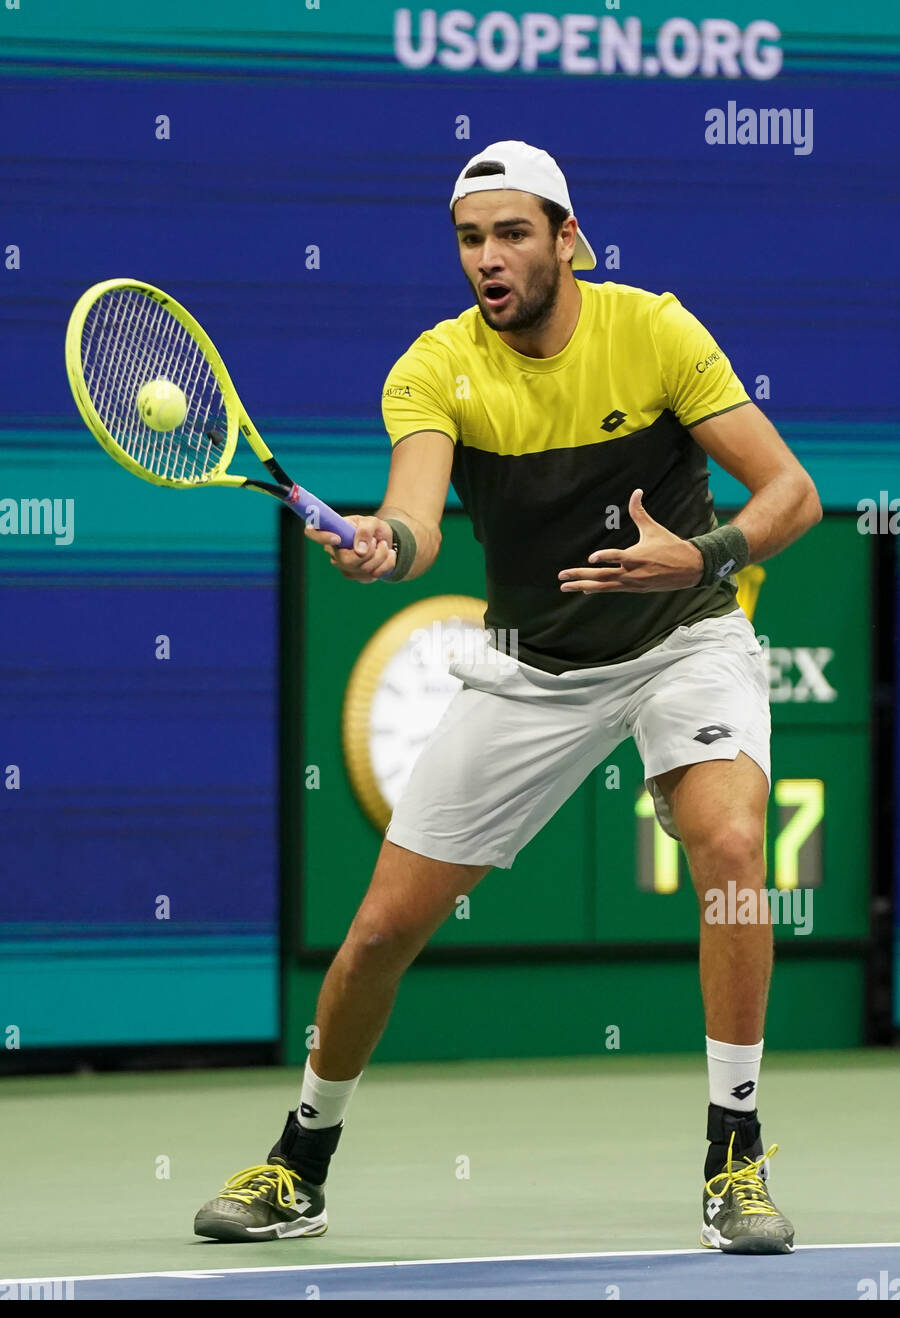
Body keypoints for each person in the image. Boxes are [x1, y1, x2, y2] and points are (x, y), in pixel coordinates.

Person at [195, 140, 821, 1254]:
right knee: (381, 930)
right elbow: (418, 516)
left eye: (513, 233)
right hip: (532, 669)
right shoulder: (434, 366)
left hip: (686, 638)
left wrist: (703, 553)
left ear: (567, 239)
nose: (489, 257)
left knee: (729, 843)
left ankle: (735, 1152)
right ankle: (303, 1157)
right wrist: (386, 545)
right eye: (470, 238)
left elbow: (792, 492)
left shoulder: (656, 332)